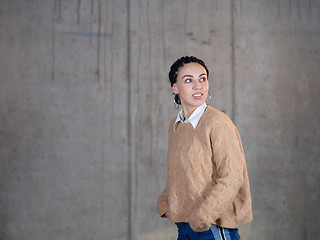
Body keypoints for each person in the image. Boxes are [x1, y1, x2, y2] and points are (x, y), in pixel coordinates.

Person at [157, 56, 252, 240]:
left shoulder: (217, 122)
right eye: (188, 80)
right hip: (185, 228)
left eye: (202, 78)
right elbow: (181, 174)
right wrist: (166, 206)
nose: (198, 85)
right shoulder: (176, 126)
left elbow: (233, 176)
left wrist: (202, 216)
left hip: (213, 228)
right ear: (174, 88)